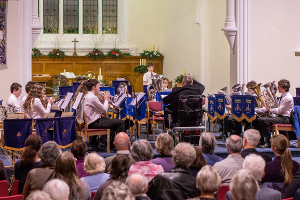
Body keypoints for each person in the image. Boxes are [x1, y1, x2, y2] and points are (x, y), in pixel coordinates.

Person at [83, 79, 125, 151]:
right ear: (93, 87)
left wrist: (102, 101)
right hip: (94, 122)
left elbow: (97, 109)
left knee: (113, 122)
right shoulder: (92, 97)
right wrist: (106, 100)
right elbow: (104, 110)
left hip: (92, 120)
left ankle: (106, 144)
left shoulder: (87, 95)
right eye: (98, 87)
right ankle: (120, 146)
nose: (99, 89)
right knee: (121, 122)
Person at [253, 79, 294, 147]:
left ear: (285, 88)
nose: (278, 88)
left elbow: (279, 111)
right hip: (280, 117)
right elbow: (274, 108)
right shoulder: (283, 96)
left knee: (263, 120)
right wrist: (255, 110)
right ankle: (261, 141)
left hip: (285, 119)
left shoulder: (288, 97)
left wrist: (269, 110)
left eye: (280, 87)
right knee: (259, 119)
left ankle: (268, 142)